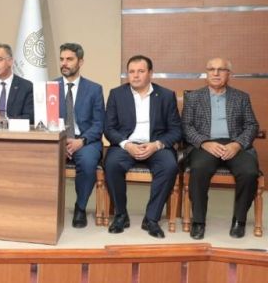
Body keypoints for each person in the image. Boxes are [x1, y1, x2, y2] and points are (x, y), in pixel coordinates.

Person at [104, 55, 182, 238]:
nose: (135, 75)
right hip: (126, 145)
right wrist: (127, 144)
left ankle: (151, 219)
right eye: (131, 72)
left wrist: (156, 145)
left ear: (150, 73)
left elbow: (176, 130)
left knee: (169, 166)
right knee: (112, 164)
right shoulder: (117, 94)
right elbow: (109, 128)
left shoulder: (166, 95)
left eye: (140, 71)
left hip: (155, 144)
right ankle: (121, 215)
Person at [183, 57, 260, 239]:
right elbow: (186, 126)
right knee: (199, 169)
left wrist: (237, 144)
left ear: (229, 74)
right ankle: (198, 221)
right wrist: (204, 142)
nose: (216, 73)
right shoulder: (193, 97)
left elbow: (252, 125)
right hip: (206, 145)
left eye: (221, 69)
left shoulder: (241, 97)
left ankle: (239, 220)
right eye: (211, 69)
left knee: (249, 172)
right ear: (206, 73)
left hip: (234, 144)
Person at [55, 43, 105, 228]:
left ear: (80, 62)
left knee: (87, 162)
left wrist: (80, 141)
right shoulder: (50, 87)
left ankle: (80, 207)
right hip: (57, 139)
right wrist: (60, 141)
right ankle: (45, 207)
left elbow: (99, 123)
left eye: (69, 59)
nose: (64, 63)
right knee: (38, 159)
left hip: (85, 140)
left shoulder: (94, 89)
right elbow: (43, 120)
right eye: (62, 59)